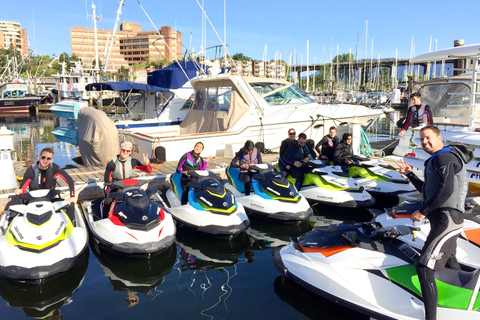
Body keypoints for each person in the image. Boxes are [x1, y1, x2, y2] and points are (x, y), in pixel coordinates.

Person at [397, 125, 473, 320]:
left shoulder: (444, 157)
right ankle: (464, 303)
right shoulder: (439, 159)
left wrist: (422, 211)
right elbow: (429, 191)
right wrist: (410, 174)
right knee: (450, 260)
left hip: (446, 220)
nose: (424, 142)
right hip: (446, 219)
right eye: (422, 139)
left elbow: (446, 191)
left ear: (439, 137)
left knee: (424, 267)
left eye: (428, 138)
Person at [103, 142, 152, 212]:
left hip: (131, 186)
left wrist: (147, 164)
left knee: (144, 197)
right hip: (117, 187)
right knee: (108, 201)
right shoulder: (112, 164)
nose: (125, 152)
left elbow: (148, 171)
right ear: (120, 150)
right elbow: (107, 180)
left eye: (128, 151)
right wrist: (117, 188)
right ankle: (105, 217)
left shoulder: (133, 162)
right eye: (123, 150)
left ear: (130, 152)